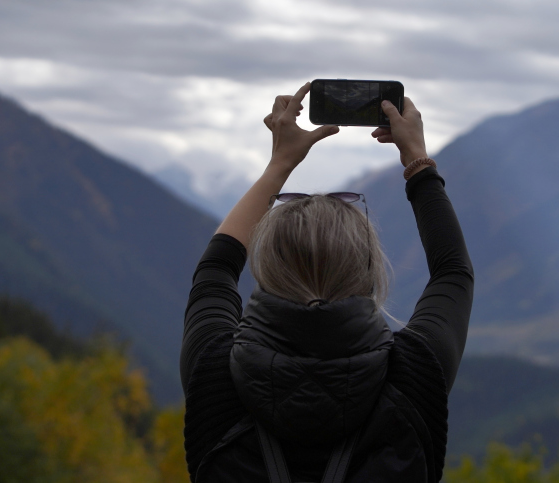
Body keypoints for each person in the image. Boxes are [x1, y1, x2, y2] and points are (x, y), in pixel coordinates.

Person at [181, 82, 473, 482]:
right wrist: (417, 160)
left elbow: (216, 270)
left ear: (265, 268)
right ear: (369, 270)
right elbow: (452, 271)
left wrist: (280, 163)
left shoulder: (214, 373)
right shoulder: (415, 374)